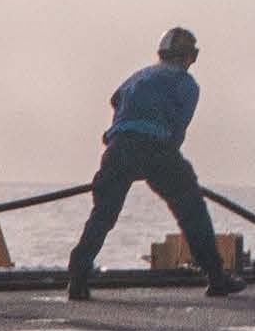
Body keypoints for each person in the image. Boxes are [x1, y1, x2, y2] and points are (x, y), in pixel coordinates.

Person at [68, 26, 239, 299]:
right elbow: (177, 130)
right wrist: (161, 163)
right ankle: (216, 277)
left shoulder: (138, 76)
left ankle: (77, 275)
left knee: (103, 214)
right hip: (156, 148)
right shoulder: (187, 84)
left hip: (118, 147)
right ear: (188, 57)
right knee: (191, 209)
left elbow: (116, 101)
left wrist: (122, 143)